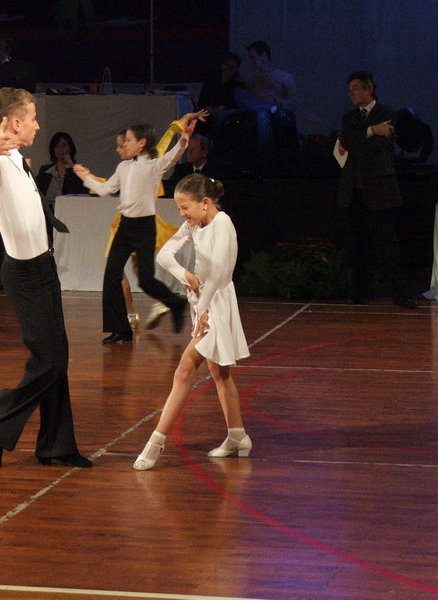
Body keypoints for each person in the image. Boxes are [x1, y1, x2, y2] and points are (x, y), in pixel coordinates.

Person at [0, 87, 91, 469]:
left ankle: (57, 445)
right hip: (25, 275)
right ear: (14, 122)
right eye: (33, 118)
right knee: (49, 361)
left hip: (43, 267)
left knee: (58, 359)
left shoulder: (17, 159)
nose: (38, 126)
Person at [133, 174, 250, 470]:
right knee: (219, 372)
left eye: (185, 207)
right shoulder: (194, 224)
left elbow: (219, 273)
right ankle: (238, 435)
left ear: (205, 202)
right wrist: (183, 274)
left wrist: (205, 308)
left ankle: (156, 441)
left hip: (217, 303)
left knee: (184, 369)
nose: (182, 214)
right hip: (204, 302)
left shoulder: (223, 225)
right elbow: (165, 256)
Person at [74, 119, 197, 344]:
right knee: (111, 277)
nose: (124, 145)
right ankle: (121, 330)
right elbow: (105, 190)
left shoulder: (153, 166)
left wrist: (183, 141)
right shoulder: (123, 167)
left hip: (144, 227)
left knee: (145, 279)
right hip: (125, 226)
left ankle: (176, 303)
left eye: (128, 140)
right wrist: (85, 176)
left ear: (141, 143)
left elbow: (172, 158)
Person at [337, 70, 417, 309]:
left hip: (379, 190)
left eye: (355, 88)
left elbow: (381, 146)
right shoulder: (350, 118)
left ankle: (399, 293)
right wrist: (372, 130)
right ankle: (360, 291)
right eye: (350, 90)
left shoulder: (387, 113)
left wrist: (359, 140)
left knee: (386, 244)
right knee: (356, 244)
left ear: (368, 89)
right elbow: (347, 140)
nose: (351, 94)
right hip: (354, 190)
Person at [234, 40, 298, 159]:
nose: (251, 61)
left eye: (253, 57)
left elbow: (293, 104)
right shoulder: (251, 80)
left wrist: (274, 100)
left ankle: (263, 158)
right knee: (238, 92)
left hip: (276, 116)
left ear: (263, 56)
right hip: (254, 114)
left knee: (262, 114)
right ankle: (270, 108)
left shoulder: (285, 77)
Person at [35, 131, 87, 244]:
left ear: (70, 148)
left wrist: (70, 167)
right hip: (47, 218)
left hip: (68, 217)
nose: (60, 149)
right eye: (57, 146)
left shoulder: (78, 170)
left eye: (64, 145)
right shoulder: (45, 170)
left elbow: (79, 191)